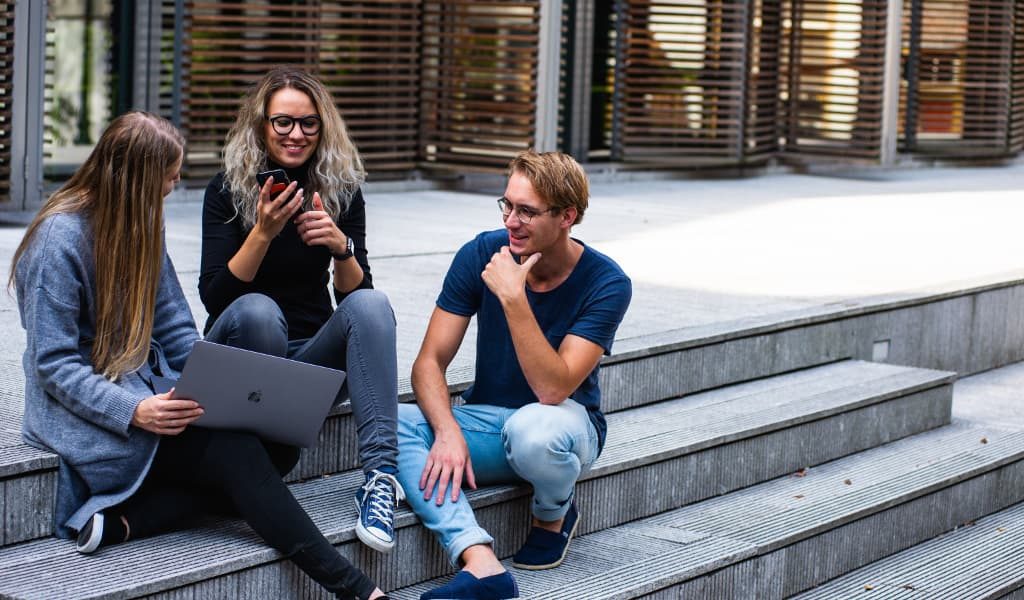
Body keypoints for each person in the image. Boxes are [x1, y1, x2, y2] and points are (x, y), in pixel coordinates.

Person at [11, 112, 389, 600]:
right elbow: (54, 364)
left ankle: (131, 520)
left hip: (151, 394)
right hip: (91, 414)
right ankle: (355, 588)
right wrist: (135, 410)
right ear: (136, 178)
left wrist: (209, 385)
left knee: (278, 450)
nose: (172, 188)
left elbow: (174, 327)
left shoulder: (141, 224)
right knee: (239, 454)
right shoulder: (58, 240)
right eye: (168, 178)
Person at [397, 151, 632, 599]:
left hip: (562, 425)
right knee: (392, 423)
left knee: (534, 430)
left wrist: (514, 298)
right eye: (507, 205)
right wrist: (447, 431)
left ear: (567, 216)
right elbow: (429, 362)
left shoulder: (607, 282)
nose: (511, 220)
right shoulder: (481, 252)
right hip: (487, 421)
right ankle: (479, 561)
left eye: (527, 211)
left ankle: (553, 512)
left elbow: (553, 388)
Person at [199, 66, 402, 553]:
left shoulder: (341, 190)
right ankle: (255, 458)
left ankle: (380, 481)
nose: (296, 134)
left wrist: (341, 247)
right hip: (243, 355)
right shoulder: (227, 190)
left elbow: (357, 301)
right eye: (283, 122)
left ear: (323, 126)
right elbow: (215, 298)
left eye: (308, 123)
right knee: (258, 312)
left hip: (307, 364)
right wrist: (263, 232)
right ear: (261, 125)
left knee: (373, 305)